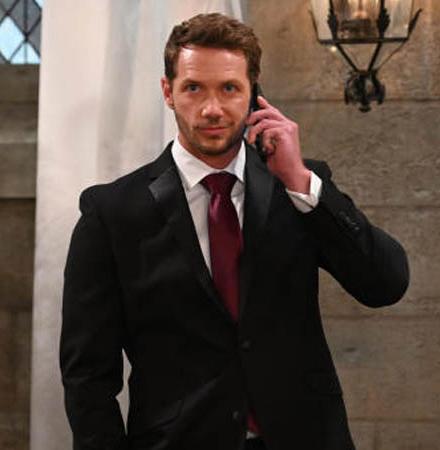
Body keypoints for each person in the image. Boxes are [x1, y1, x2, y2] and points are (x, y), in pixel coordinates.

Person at [60, 13, 409, 450]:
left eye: (229, 88)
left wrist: (300, 182)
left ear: (253, 92)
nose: (212, 109)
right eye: (193, 88)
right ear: (168, 91)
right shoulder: (111, 213)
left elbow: (385, 283)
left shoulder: (298, 188)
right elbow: (87, 376)